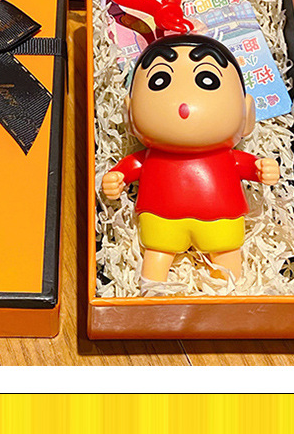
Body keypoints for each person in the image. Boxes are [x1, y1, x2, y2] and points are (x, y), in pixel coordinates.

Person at [102, 34, 280, 284]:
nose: (183, 103)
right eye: (160, 80)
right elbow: (131, 166)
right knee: (156, 257)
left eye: (207, 80)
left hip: (220, 219)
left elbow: (247, 165)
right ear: (129, 113)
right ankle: (152, 291)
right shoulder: (150, 155)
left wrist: (261, 168)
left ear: (246, 113)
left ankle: (229, 292)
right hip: (161, 219)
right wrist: (117, 177)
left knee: (227, 257)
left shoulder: (229, 156)